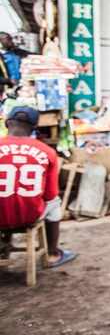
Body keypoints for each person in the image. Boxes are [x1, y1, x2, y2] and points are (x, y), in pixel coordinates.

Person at [0, 106, 76, 267]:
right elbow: (49, 195)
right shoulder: (47, 151)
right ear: (34, 128)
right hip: (29, 216)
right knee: (55, 202)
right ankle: (52, 254)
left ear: (7, 123)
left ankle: (2, 245)